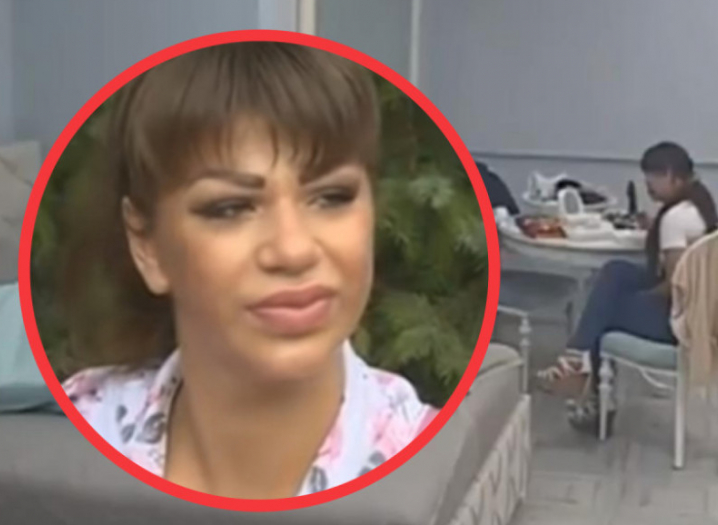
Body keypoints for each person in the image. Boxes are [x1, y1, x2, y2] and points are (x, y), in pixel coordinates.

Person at [57, 42, 439, 499]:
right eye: (230, 208)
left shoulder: (445, 474)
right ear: (147, 245)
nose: (293, 250)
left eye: (331, 197)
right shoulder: (70, 435)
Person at [536, 142, 718, 433]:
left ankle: (593, 396)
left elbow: (676, 284)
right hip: (703, 313)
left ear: (670, 175)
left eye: (652, 179)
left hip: (678, 323)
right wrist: (653, 229)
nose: (648, 187)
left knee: (602, 313)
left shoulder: (675, 219)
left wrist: (641, 298)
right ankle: (577, 360)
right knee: (616, 272)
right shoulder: (699, 205)